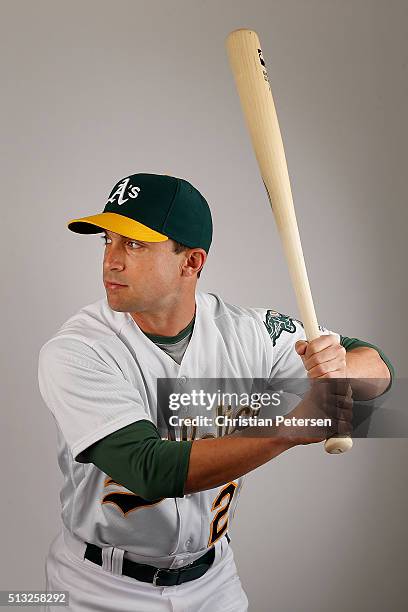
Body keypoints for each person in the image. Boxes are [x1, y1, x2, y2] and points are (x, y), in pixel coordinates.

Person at [38, 172, 394, 612]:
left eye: (134, 244)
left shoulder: (247, 332)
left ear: (191, 263)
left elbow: (378, 370)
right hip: (98, 587)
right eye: (107, 241)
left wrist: (338, 371)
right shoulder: (78, 350)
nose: (111, 260)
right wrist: (290, 428)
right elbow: (151, 470)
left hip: (213, 581)